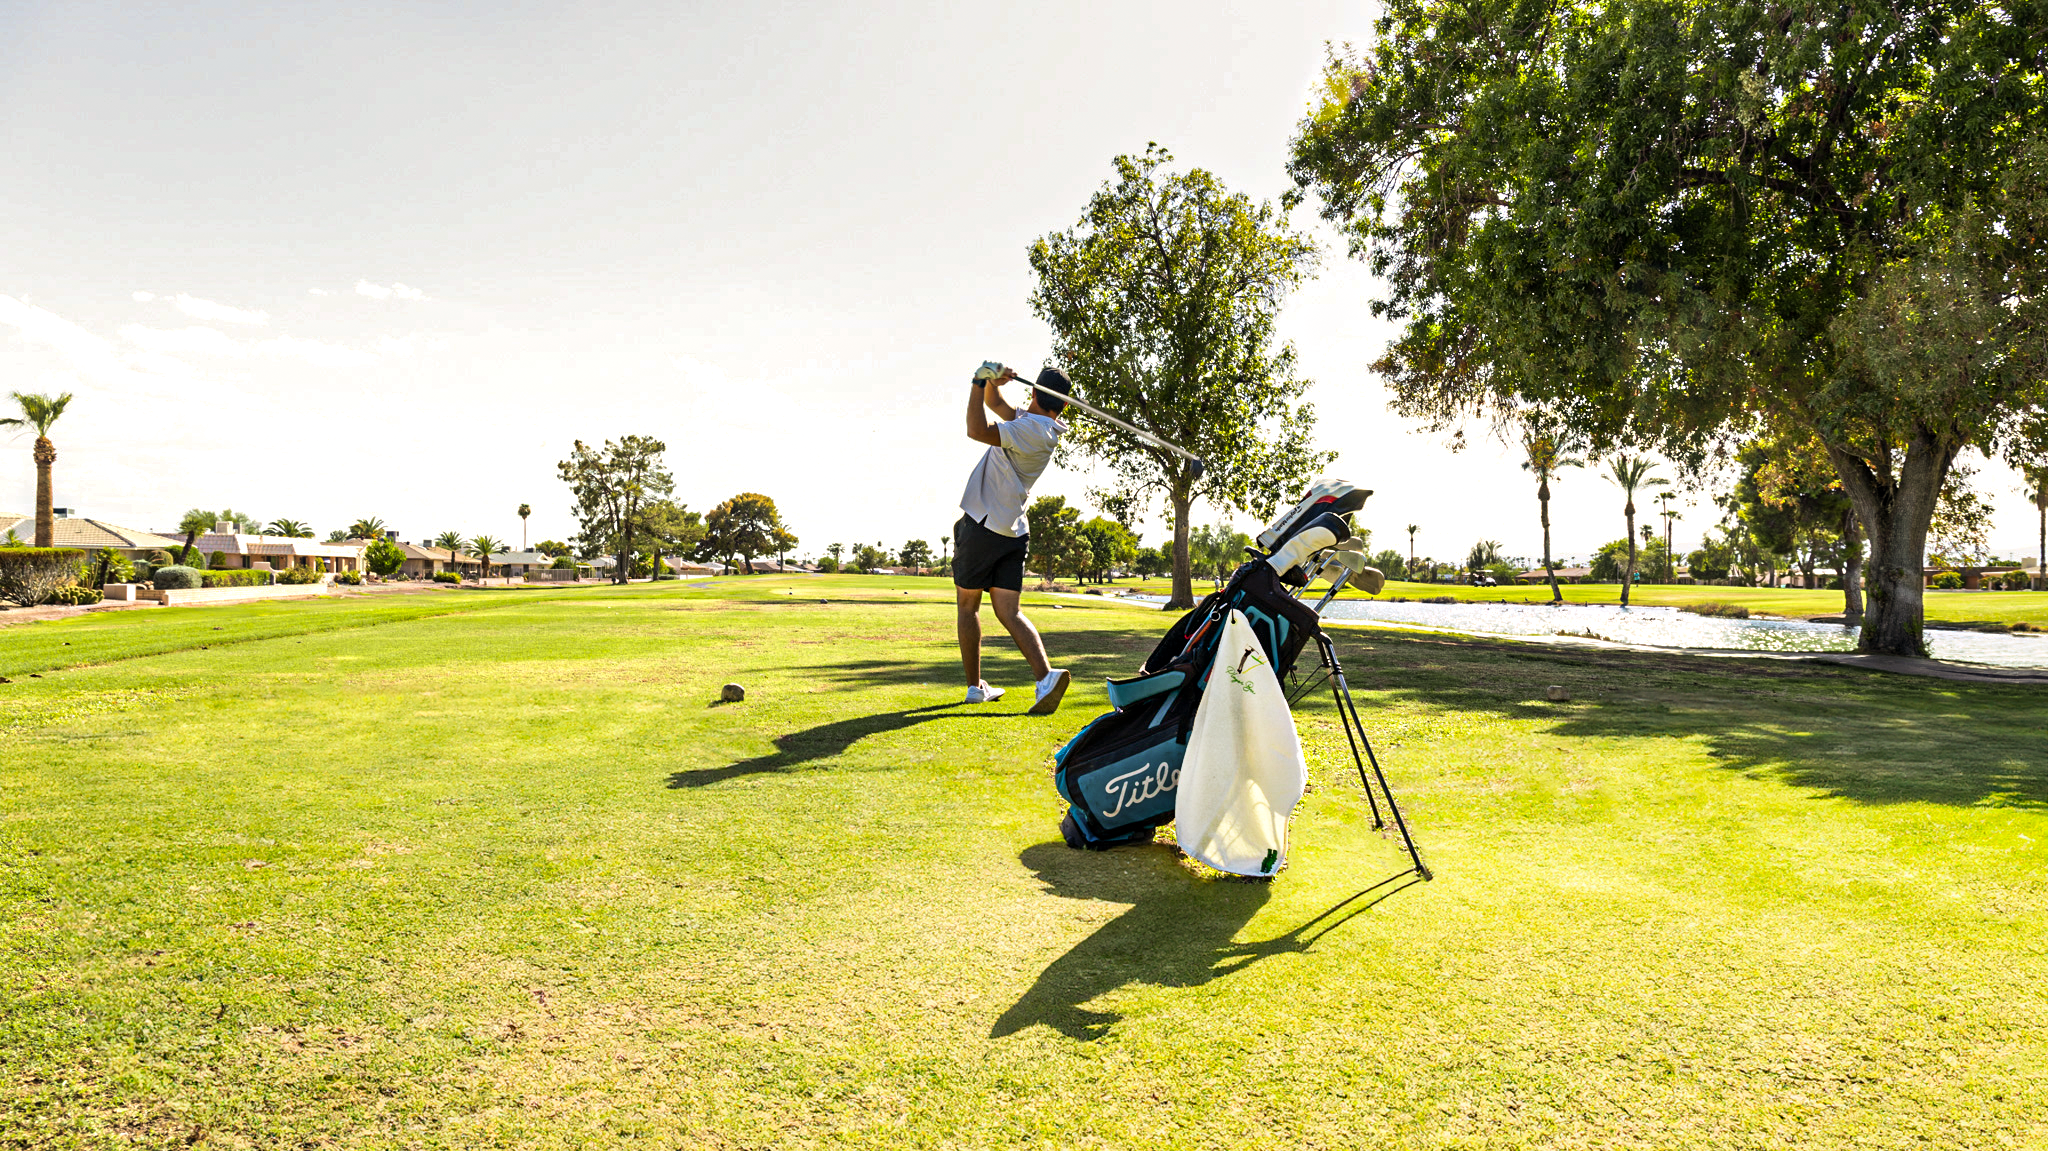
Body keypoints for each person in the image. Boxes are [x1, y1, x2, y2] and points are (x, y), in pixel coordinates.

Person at [953, 364, 1072, 713]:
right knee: (1009, 611)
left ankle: (975, 688)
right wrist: (992, 382)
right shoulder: (1043, 426)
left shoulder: (1027, 431)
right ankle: (1045, 678)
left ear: (1033, 392)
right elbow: (997, 404)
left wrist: (976, 382)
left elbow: (976, 429)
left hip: (984, 524)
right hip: (1013, 531)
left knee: (967, 606)